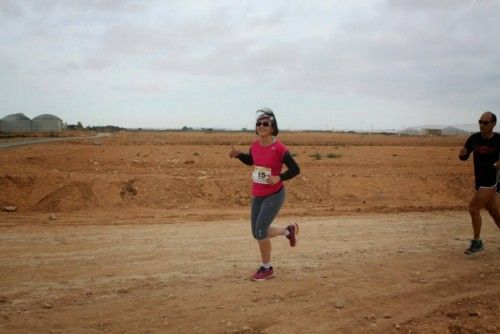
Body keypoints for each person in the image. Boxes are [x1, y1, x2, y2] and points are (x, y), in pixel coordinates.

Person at [229, 108, 300, 281]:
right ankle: (287, 231)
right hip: (258, 193)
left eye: (265, 123)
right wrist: (239, 155)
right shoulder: (254, 145)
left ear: (273, 127)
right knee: (257, 232)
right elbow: (252, 161)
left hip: (274, 194)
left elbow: (295, 169)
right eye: (258, 123)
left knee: (260, 231)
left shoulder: (280, 148)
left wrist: (279, 178)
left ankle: (267, 268)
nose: (261, 126)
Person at [459, 111, 500, 254]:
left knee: (473, 209)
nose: (482, 125)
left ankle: (477, 243)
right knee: (495, 213)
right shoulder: (474, 138)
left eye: (485, 123)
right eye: (480, 122)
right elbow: (464, 156)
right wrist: (462, 154)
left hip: (492, 182)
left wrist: (497, 165)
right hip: (480, 181)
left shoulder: (499, 140)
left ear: (493, 124)